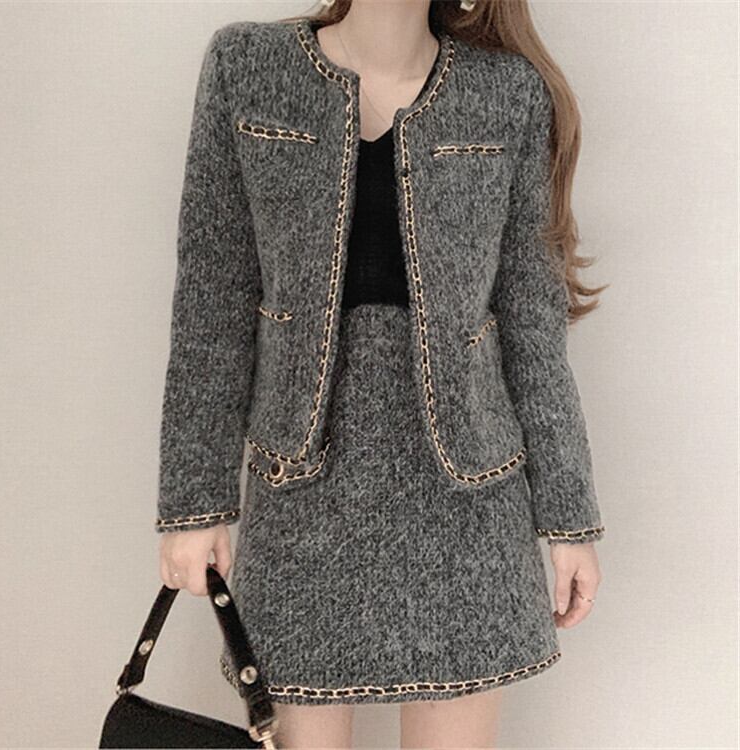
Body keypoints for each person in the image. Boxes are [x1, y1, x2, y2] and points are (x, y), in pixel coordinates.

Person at [156, 1, 607, 747]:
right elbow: (213, 299)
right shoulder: (247, 67)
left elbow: (532, 326)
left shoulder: (508, 93)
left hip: (468, 502)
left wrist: (568, 520)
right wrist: (194, 504)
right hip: (298, 494)